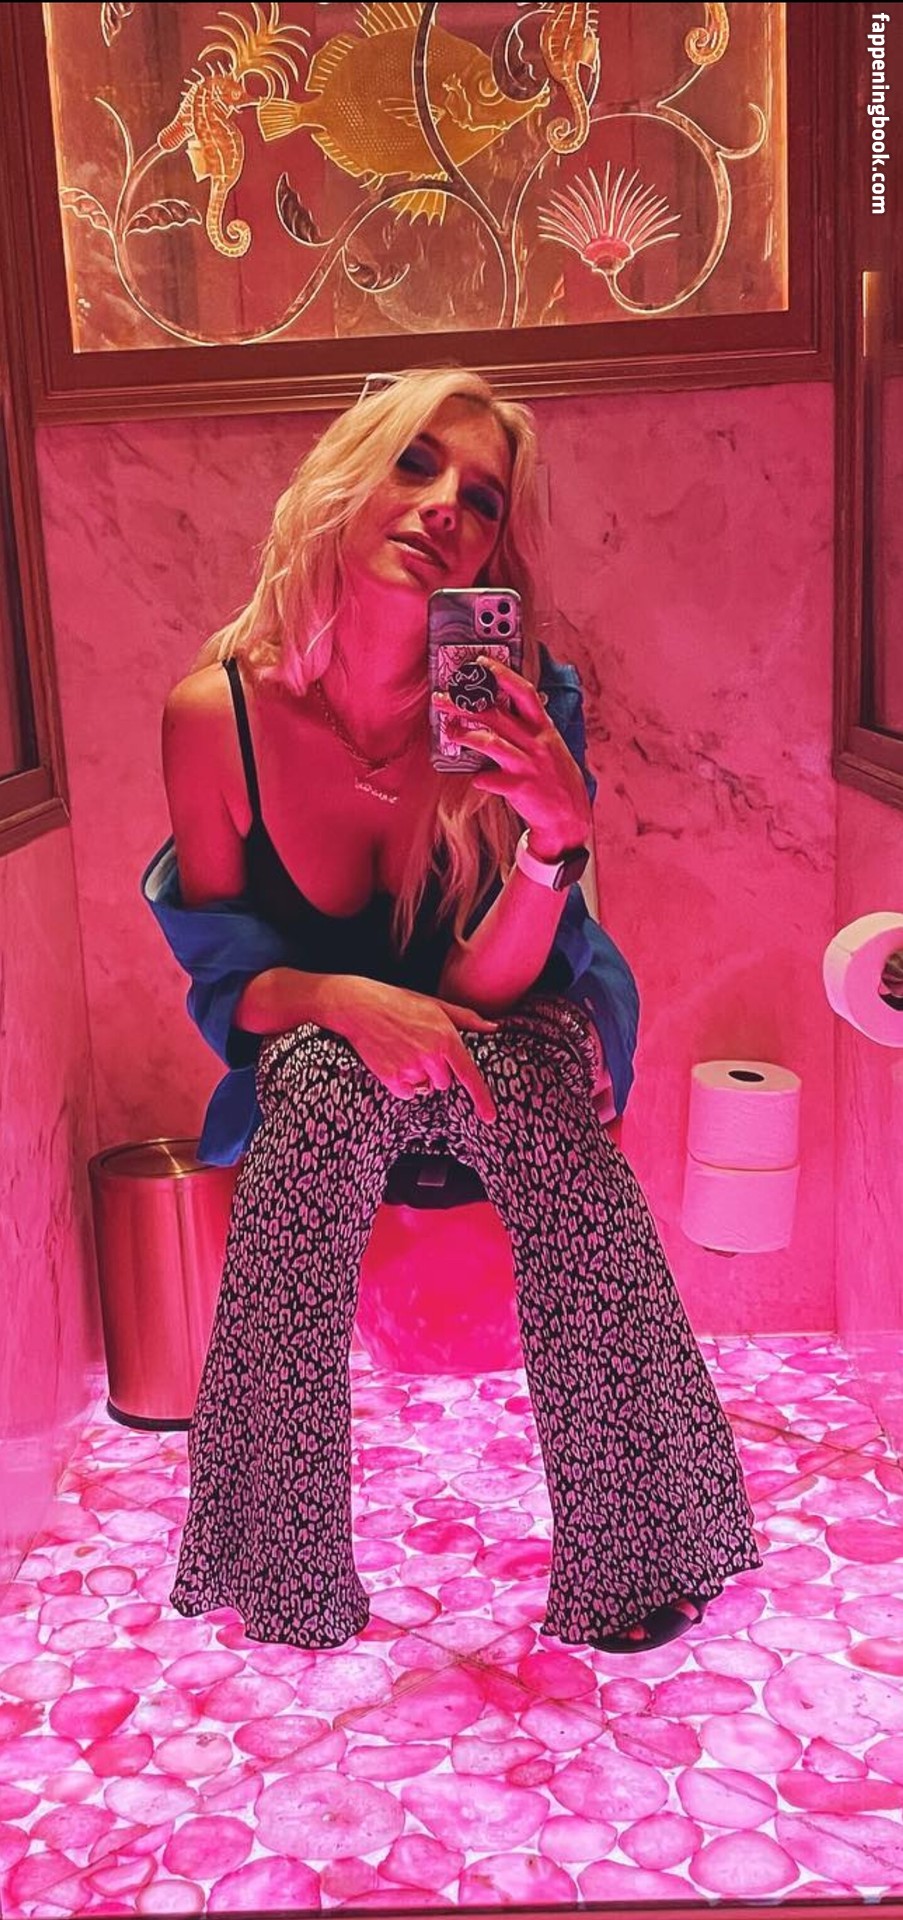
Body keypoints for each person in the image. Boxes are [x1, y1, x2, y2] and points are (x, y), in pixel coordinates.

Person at [145, 365, 762, 1655]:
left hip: (502, 1016)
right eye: (416, 462)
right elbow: (228, 978)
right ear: (343, 479)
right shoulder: (220, 717)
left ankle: (639, 1546)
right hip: (319, 1041)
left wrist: (554, 840)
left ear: (494, 552)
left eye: (482, 499)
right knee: (314, 1083)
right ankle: (280, 1565)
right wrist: (354, 1002)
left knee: (538, 1088)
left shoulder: (519, 698)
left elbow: (498, 985)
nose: (445, 507)